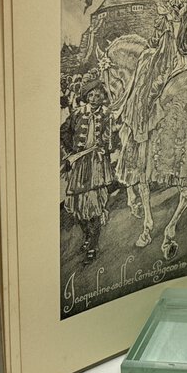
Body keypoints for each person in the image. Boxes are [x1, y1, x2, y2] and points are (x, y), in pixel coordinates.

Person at [61, 79, 116, 264]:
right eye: (90, 95)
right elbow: (64, 132)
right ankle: (87, 236)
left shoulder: (107, 114)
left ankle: (93, 245)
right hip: (79, 163)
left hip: (97, 164)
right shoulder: (77, 113)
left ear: (102, 97)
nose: (94, 98)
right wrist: (71, 151)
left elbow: (111, 140)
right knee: (77, 207)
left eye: (97, 95)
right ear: (86, 96)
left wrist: (105, 146)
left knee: (94, 208)